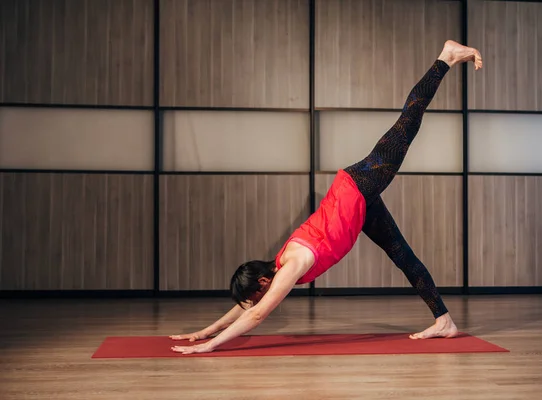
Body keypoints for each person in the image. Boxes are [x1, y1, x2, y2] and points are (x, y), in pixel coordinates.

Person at [170, 40, 483, 354]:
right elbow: (247, 306)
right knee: (405, 259)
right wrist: (204, 332)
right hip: (359, 206)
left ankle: (446, 57)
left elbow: (257, 312)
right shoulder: (277, 266)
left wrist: (210, 347)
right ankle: (444, 321)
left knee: (408, 122)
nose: (256, 300)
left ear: (263, 284)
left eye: (254, 294)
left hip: (359, 185)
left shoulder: (291, 264)